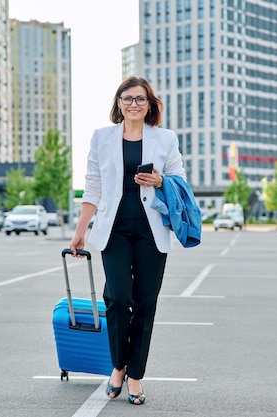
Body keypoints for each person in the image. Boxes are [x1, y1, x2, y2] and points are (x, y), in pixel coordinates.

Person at [69, 76, 187, 405]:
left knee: (145, 305)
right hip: (115, 228)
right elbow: (93, 185)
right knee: (118, 298)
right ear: (118, 103)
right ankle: (117, 366)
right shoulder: (101, 138)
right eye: (127, 98)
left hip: (152, 232)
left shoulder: (165, 139)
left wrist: (160, 179)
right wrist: (80, 229)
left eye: (140, 99)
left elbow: (180, 180)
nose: (133, 104)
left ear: (150, 104)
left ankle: (134, 376)